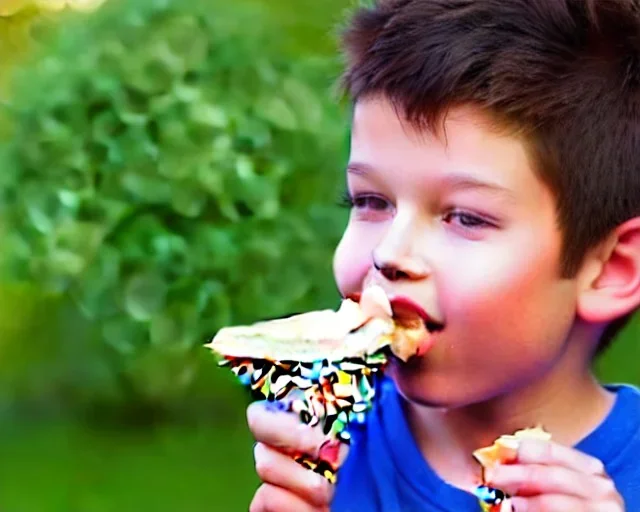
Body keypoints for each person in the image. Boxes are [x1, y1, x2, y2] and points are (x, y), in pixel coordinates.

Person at [246, 0, 640, 510]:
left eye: (466, 217)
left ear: (610, 269)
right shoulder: (325, 450)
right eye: (370, 201)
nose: (390, 253)